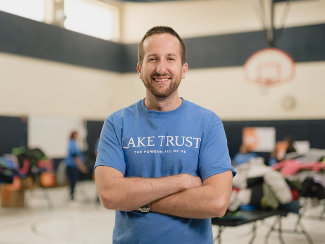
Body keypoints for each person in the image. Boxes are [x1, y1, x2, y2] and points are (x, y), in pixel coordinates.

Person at [95, 26, 236, 244]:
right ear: (139, 68)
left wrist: (139, 200)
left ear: (184, 69)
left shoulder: (207, 122)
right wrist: (181, 182)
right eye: (152, 59)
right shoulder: (117, 123)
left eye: (170, 58)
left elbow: (216, 202)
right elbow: (110, 195)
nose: (161, 68)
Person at [65, 131, 87, 200]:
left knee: (73, 182)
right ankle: (72, 196)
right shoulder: (72, 144)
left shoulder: (74, 143)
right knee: (73, 181)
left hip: (72, 165)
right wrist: (81, 166)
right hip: (72, 166)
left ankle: (72, 195)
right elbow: (75, 157)